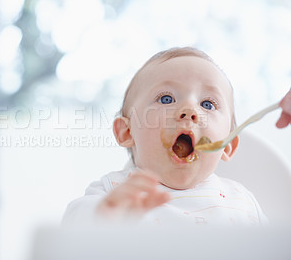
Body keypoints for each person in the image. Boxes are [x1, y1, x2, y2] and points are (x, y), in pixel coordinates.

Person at [62, 47, 267, 226]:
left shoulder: (241, 202)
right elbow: (71, 234)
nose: (188, 110)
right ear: (127, 132)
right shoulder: (116, 192)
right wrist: (104, 217)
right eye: (167, 99)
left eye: (207, 104)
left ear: (228, 145)